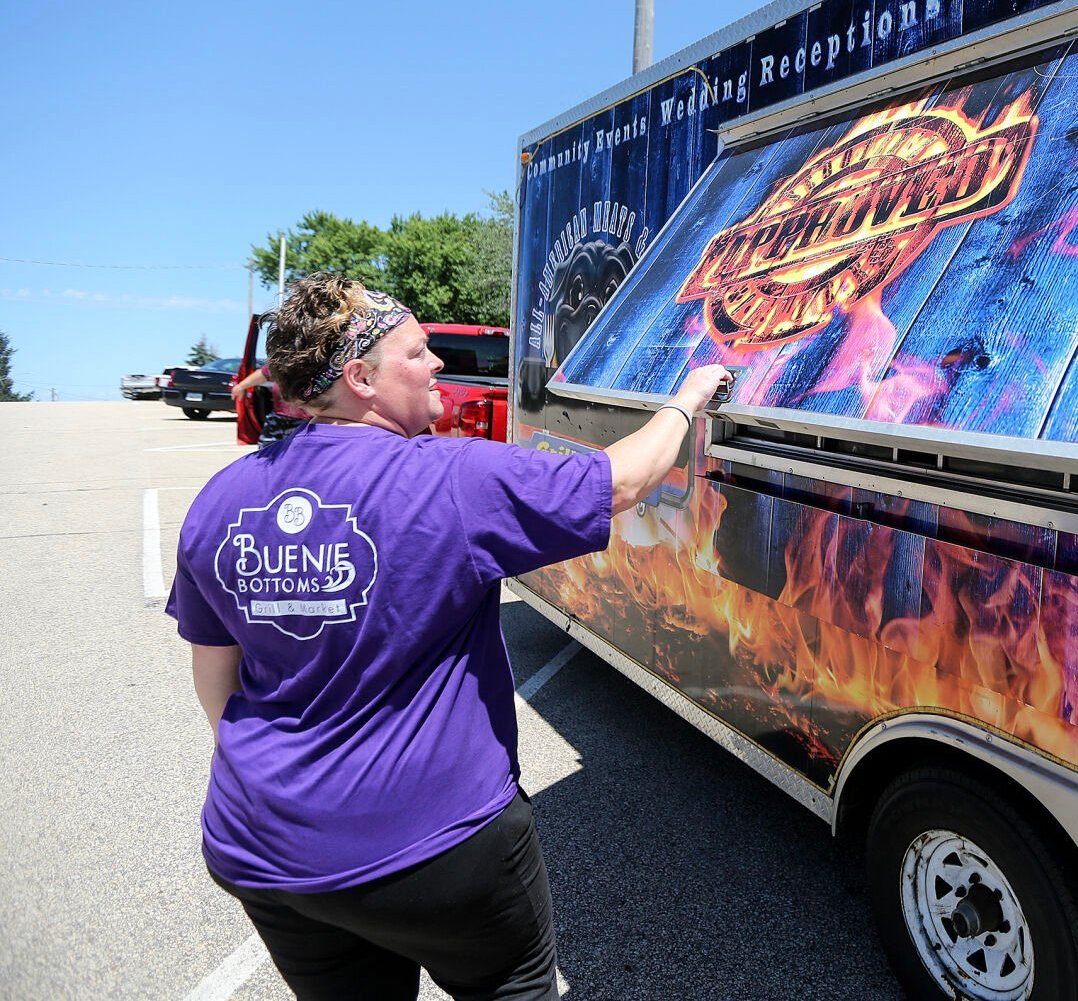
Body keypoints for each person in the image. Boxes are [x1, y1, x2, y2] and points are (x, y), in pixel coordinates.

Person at [165, 273, 729, 1000]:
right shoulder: (450, 479)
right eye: (418, 352)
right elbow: (620, 482)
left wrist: (280, 781)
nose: (437, 365)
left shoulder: (223, 496)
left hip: (262, 846)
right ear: (360, 378)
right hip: (435, 848)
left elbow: (215, 674)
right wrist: (689, 399)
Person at [231, 366, 310, 443]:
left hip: (305, 421)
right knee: (265, 452)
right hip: (277, 419)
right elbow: (264, 373)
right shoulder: (283, 362)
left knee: (300, 453)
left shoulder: (313, 363)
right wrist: (241, 386)